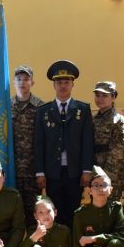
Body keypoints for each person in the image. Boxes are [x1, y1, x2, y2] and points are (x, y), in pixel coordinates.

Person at [34, 60, 94, 226]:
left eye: (66, 82)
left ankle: (72, 240)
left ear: (72, 84)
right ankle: (57, 239)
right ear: (54, 85)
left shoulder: (83, 109)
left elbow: (87, 142)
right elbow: (39, 143)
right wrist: (40, 172)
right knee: (55, 210)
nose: (63, 86)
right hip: (52, 172)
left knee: (74, 209)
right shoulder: (43, 111)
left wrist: (86, 170)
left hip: (75, 172)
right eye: (59, 82)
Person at [11, 65, 44, 226]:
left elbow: (45, 141)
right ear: (13, 82)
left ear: (32, 82)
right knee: (13, 212)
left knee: (33, 213)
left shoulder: (41, 107)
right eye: (18, 79)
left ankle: (33, 241)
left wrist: (41, 171)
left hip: (32, 170)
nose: (22, 83)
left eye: (26, 79)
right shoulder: (6, 106)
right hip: (12, 169)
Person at [92, 81, 124, 203]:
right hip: (95, 173)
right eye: (97, 95)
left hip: (111, 176)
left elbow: (118, 153)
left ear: (113, 97)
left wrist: (105, 178)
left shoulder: (118, 121)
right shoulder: (93, 120)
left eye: (104, 95)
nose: (100, 99)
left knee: (110, 207)